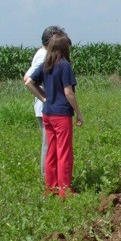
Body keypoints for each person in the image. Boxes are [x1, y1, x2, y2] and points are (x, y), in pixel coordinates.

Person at [24, 33, 83, 198]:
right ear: (64, 47)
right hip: (61, 114)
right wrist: (78, 113)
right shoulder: (64, 65)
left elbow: (29, 82)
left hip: (47, 113)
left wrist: (44, 98)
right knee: (64, 151)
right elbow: (68, 92)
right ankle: (65, 189)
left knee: (52, 150)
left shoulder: (46, 64)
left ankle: (51, 188)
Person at [25, 26, 65, 177]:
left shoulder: (44, 54)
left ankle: (50, 177)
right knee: (48, 144)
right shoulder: (43, 56)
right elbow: (28, 79)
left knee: (50, 143)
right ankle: (47, 177)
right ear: (50, 41)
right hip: (47, 108)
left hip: (48, 107)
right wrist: (45, 97)